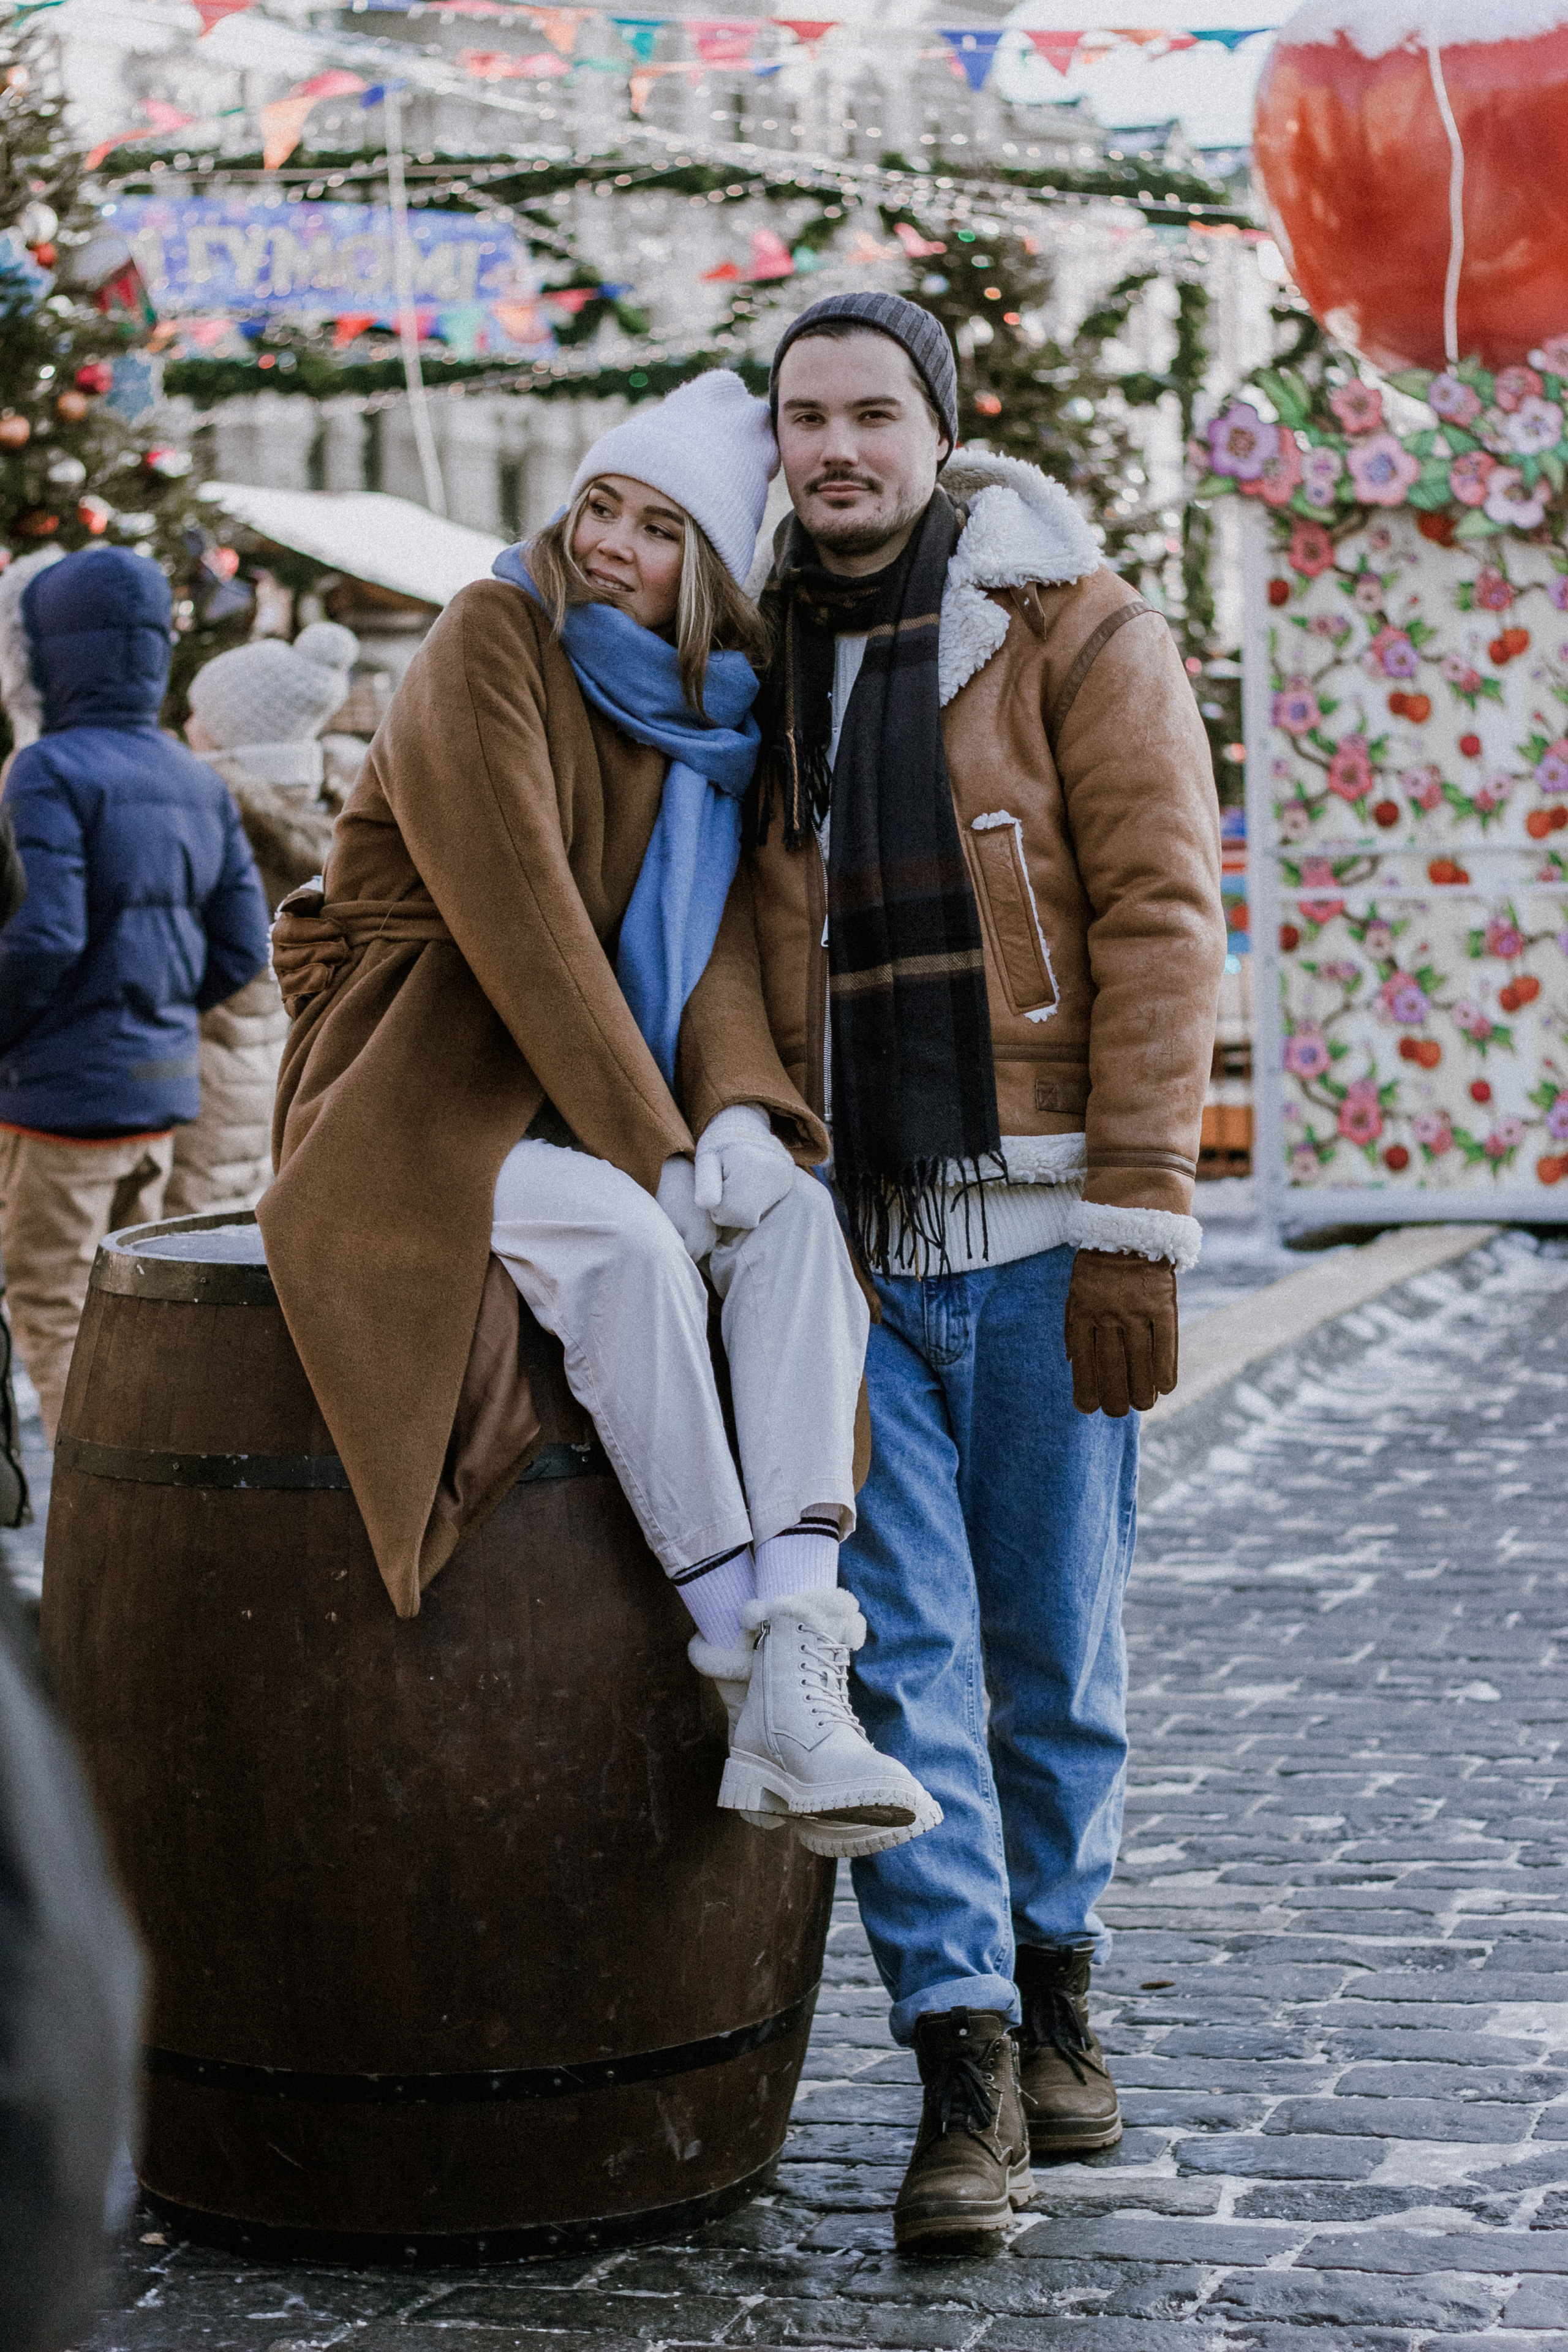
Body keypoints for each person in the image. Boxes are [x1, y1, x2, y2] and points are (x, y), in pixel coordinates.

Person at [262, 370, 938, 1853]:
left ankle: (795, 1654)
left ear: (701, 563)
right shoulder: (488, 631)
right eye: (598, 507)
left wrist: (741, 1124)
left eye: (651, 525)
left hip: (590, 1102)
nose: (608, 543)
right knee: (631, 1248)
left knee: (799, 1231)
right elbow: (527, 924)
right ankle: (748, 1653)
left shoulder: (709, 719)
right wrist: (665, 1149)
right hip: (416, 1084)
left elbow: (700, 960)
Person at [736, 292, 1226, 2248]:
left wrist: (1134, 1214)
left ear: (941, 427)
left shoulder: (1075, 625)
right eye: (802, 417)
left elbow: (1164, 906)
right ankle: (959, 2070)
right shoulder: (749, 655)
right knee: (896, 1660)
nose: (836, 448)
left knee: (1055, 1649)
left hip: (1040, 1245)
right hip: (848, 1245)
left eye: (871, 411)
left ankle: (1059, 1992)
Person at [0, 546, 271, 1440]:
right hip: (160, 1096)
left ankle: (99, 1548)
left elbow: (45, 933)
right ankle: (148, 1514)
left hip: (63, 1103)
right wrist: (151, 1011)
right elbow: (242, 944)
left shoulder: (47, 770)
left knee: (52, 1308)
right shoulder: (192, 775)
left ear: (50, 650)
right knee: (123, 1313)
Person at [167, 621, 355, 1217]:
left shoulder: (215, 826)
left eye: (199, 713)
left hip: (204, 1090)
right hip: (271, 1096)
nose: (186, 725)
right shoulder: (329, 832)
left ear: (231, 732)